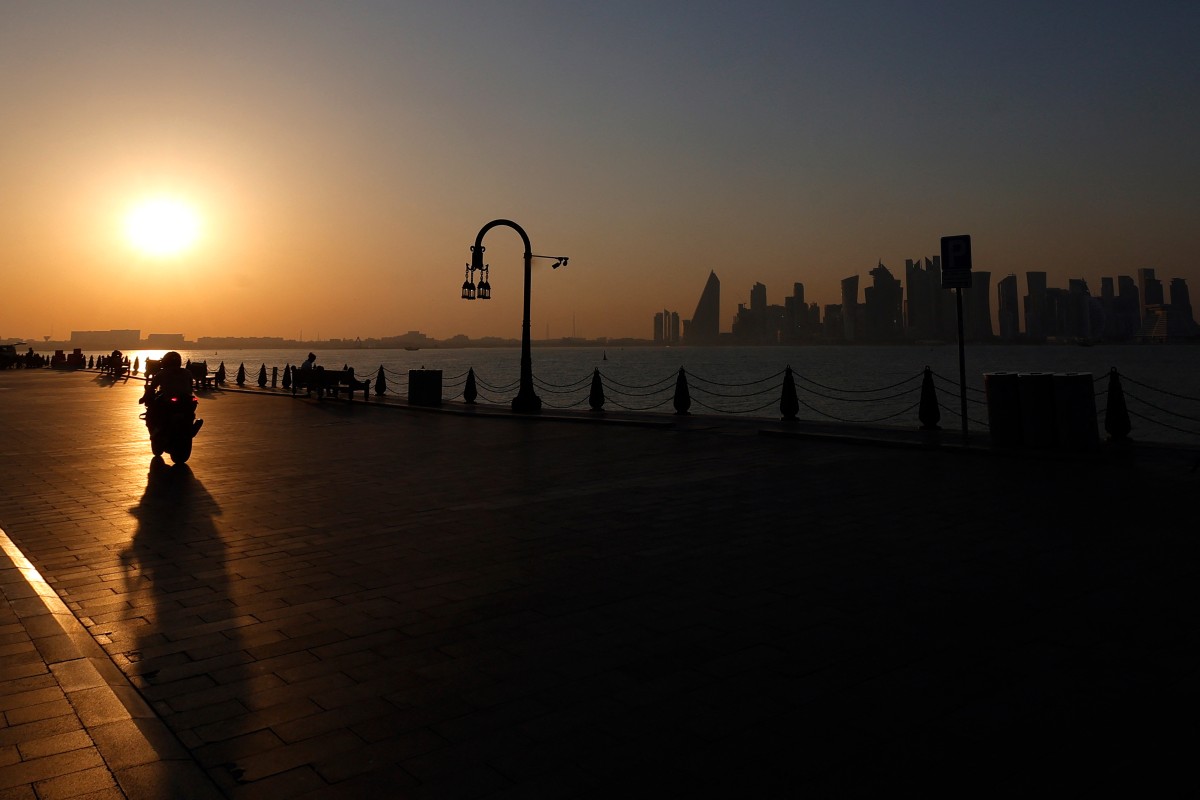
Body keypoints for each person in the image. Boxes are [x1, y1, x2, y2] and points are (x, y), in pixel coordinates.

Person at [141, 351, 203, 437]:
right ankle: (191, 426)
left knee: (151, 412)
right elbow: (190, 386)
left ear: (165, 362)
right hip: (187, 400)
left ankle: (156, 431)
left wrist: (144, 397)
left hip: (169, 400)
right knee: (191, 409)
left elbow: (152, 388)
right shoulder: (187, 372)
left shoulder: (162, 373)